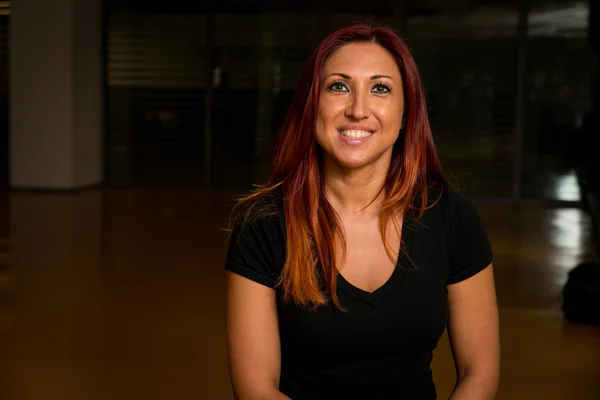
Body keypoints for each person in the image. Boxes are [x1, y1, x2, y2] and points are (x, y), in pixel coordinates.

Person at [224, 23, 500, 400]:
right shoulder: (264, 223)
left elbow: (479, 373)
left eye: (380, 88)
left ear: (406, 113)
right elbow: (256, 389)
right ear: (312, 105)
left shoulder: (452, 216)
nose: (357, 109)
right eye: (339, 86)